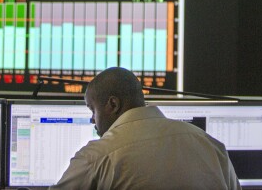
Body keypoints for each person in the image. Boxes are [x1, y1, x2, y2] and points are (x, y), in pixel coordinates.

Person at [52, 67, 242, 190]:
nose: (92, 119)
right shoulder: (209, 144)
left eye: (93, 110)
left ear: (113, 104)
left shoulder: (96, 157)